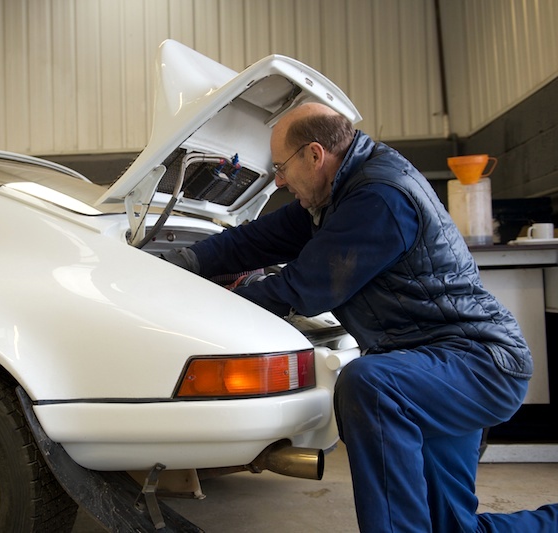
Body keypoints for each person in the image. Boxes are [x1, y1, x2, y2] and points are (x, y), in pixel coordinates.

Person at [164, 102, 558, 531]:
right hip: (428, 367)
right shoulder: (338, 191)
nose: (278, 179)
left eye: (280, 167)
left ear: (315, 155)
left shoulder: (379, 197)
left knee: (369, 384)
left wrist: (201, 309)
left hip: (477, 364)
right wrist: (180, 263)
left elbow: (302, 287)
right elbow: (257, 240)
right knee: (451, 527)